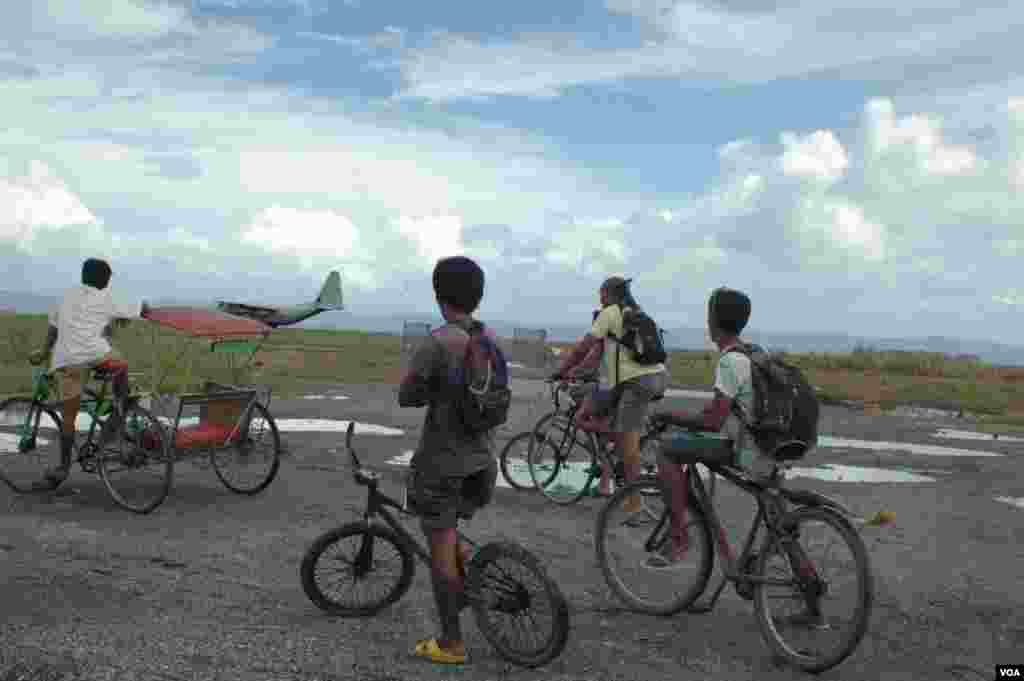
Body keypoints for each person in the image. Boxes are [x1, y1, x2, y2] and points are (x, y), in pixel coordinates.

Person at [397, 255, 499, 665]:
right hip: (483, 462)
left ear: (439, 296)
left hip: (443, 465)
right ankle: (464, 584)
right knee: (451, 534)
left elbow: (407, 397)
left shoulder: (439, 342)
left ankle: (452, 643)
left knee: (440, 547)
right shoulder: (488, 338)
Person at [647, 286, 764, 569]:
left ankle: (679, 538)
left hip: (746, 449)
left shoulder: (729, 361)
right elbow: (720, 411)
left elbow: (713, 421)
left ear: (713, 320)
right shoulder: (755, 352)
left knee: (666, 450)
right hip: (767, 445)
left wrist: (670, 415)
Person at [29, 258, 148, 490]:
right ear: (103, 279)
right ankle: (121, 404)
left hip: (67, 361)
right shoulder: (106, 297)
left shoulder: (64, 296)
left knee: (69, 419)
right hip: (96, 356)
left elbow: (53, 328)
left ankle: (62, 469)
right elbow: (142, 309)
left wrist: (44, 352)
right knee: (121, 365)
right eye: (108, 278)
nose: (108, 282)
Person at [552, 277, 668, 501]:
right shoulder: (635, 311)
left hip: (638, 382)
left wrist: (563, 370)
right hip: (655, 377)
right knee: (607, 420)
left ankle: (634, 505)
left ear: (610, 294)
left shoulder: (610, 313)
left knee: (628, 444)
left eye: (602, 294)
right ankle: (608, 475)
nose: (600, 298)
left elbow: (583, 349)